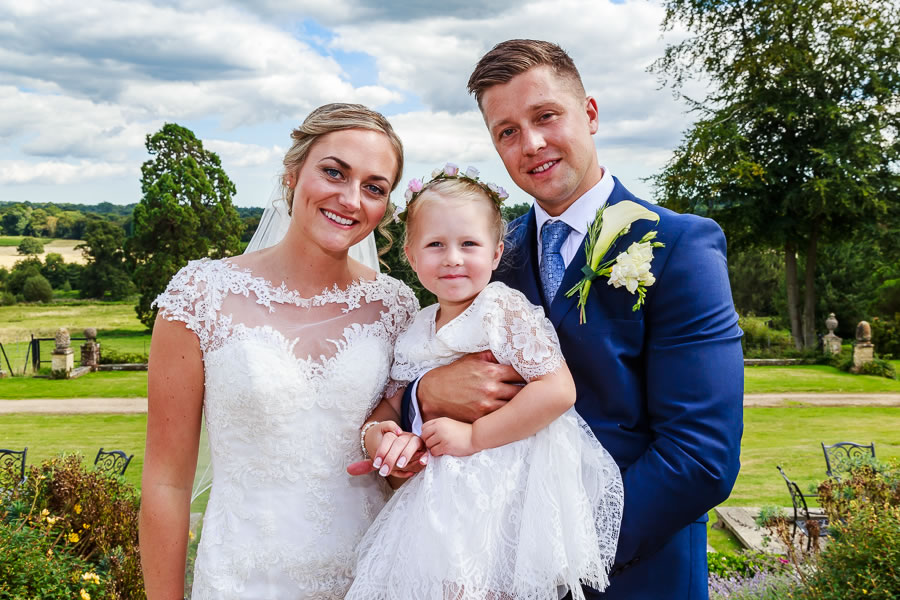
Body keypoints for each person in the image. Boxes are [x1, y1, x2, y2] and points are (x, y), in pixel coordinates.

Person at [400, 40, 744, 599]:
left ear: (589, 113)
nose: (530, 143)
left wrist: (565, 555)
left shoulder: (682, 246)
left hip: (634, 573)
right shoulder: (487, 254)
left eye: (546, 116)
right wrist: (426, 393)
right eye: (506, 131)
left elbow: (700, 455)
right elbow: (438, 352)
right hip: (500, 572)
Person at [139, 103, 422, 599]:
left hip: (371, 580)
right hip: (243, 582)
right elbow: (166, 484)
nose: (351, 199)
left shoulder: (396, 306)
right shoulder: (199, 297)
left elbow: (402, 463)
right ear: (292, 175)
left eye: (374, 187)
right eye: (334, 172)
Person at [346, 167, 623, 600]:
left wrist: (476, 435)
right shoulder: (415, 328)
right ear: (411, 255)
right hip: (434, 502)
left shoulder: (502, 310)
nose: (453, 257)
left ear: (496, 254)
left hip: (500, 491)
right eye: (435, 244)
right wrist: (382, 436)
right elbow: (392, 404)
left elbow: (557, 389)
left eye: (468, 244)